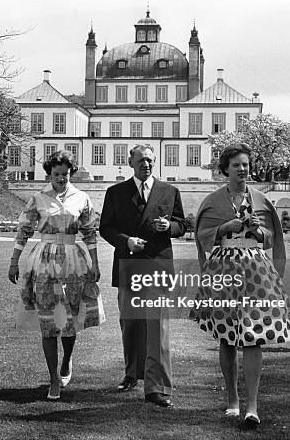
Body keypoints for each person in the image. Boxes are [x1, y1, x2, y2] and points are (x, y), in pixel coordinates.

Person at [191, 143, 290, 427]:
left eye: (246, 165)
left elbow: (272, 237)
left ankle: (252, 406)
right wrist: (226, 227)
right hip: (224, 268)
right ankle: (232, 401)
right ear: (226, 169)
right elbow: (201, 234)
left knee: (253, 335)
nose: (243, 169)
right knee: (227, 337)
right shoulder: (213, 200)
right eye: (236, 165)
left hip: (256, 270)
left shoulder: (261, 198)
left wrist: (257, 229)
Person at [8, 150, 104, 401]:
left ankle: (67, 361)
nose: (61, 178)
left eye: (65, 174)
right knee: (49, 322)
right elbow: (23, 232)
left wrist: (95, 263)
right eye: (56, 174)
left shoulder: (82, 198)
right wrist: (14, 262)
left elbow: (91, 233)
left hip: (74, 261)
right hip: (44, 261)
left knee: (70, 320)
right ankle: (53, 378)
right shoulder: (38, 199)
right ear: (49, 174)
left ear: (71, 173)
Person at [99, 144, 186, 408]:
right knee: (131, 324)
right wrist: (126, 241)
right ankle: (131, 374)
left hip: (158, 266)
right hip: (128, 264)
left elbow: (183, 225)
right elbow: (106, 228)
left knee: (157, 327)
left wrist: (169, 226)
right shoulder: (115, 192)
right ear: (130, 162)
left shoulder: (170, 191)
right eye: (140, 160)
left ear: (154, 161)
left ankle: (156, 386)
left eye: (149, 160)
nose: (145, 164)